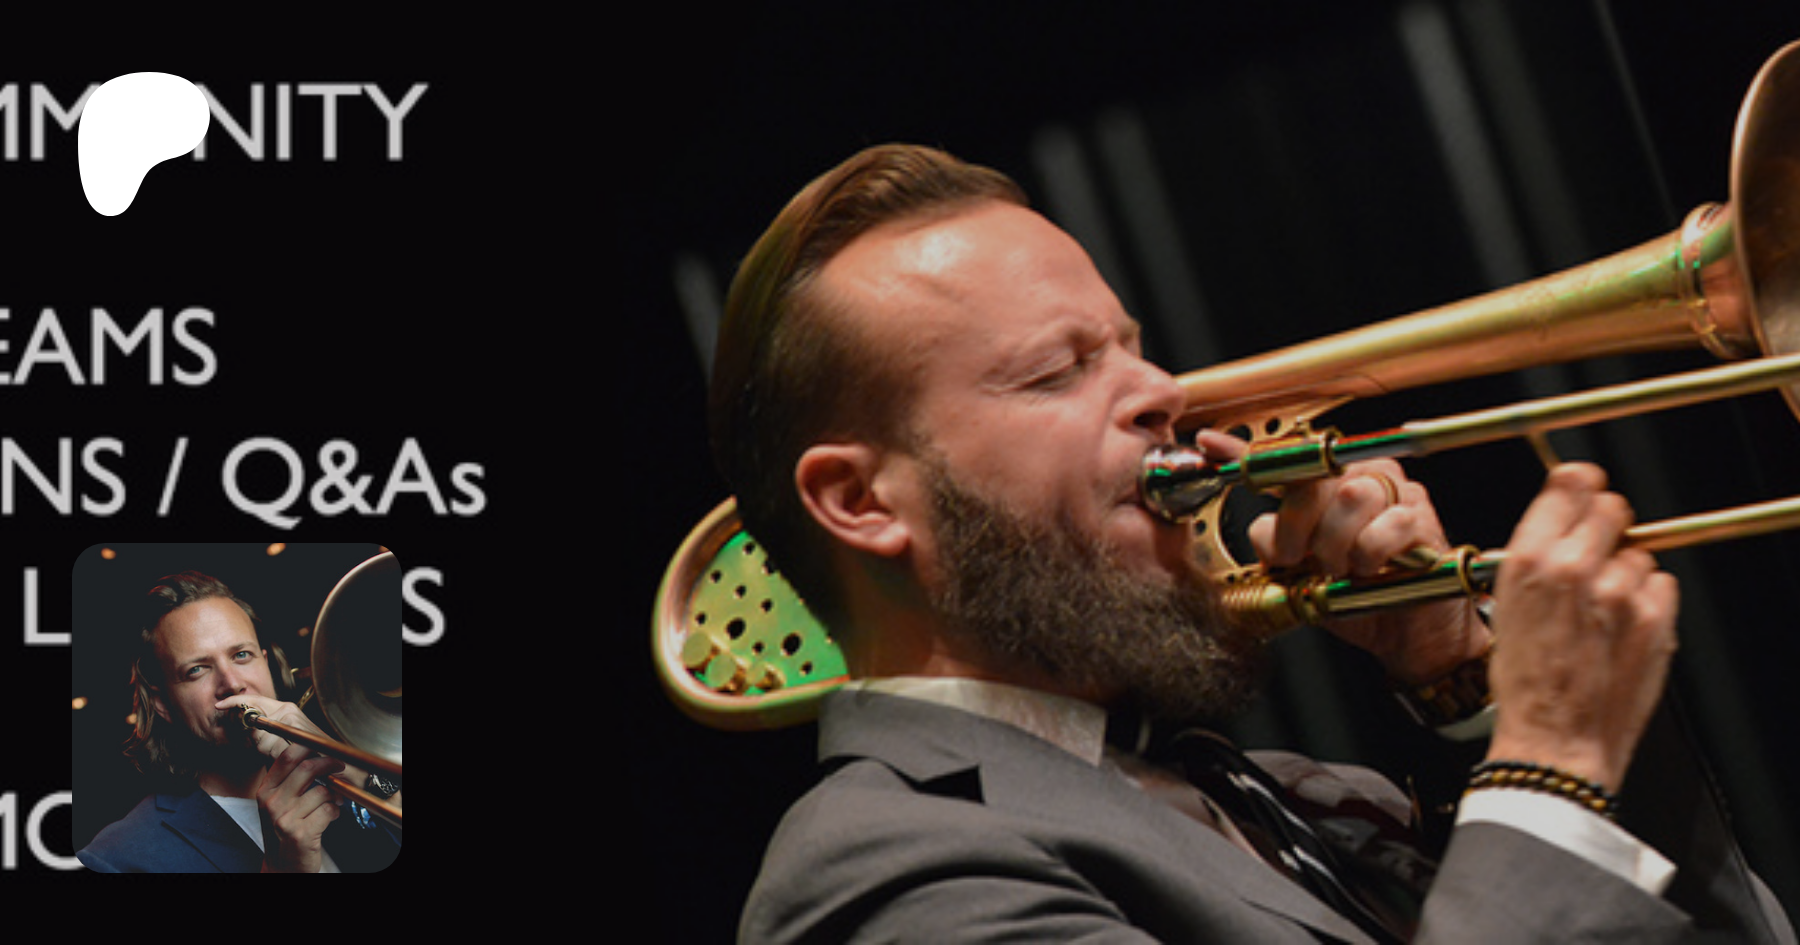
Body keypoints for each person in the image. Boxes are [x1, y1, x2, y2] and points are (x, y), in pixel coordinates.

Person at [713, 143, 1793, 941]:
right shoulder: (884, 869)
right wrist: (1551, 758)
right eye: (1057, 371)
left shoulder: (1296, 796)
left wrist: (1473, 688)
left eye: (1132, 348)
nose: (1164, 391)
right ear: (860, 501)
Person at [77, 571, 400, 873]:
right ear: (163, 705)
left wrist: (357, 775)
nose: (232, 684)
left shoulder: (338, 783)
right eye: (196, 670)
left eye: (242, 655)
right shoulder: (113, 857)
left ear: (267, 663)